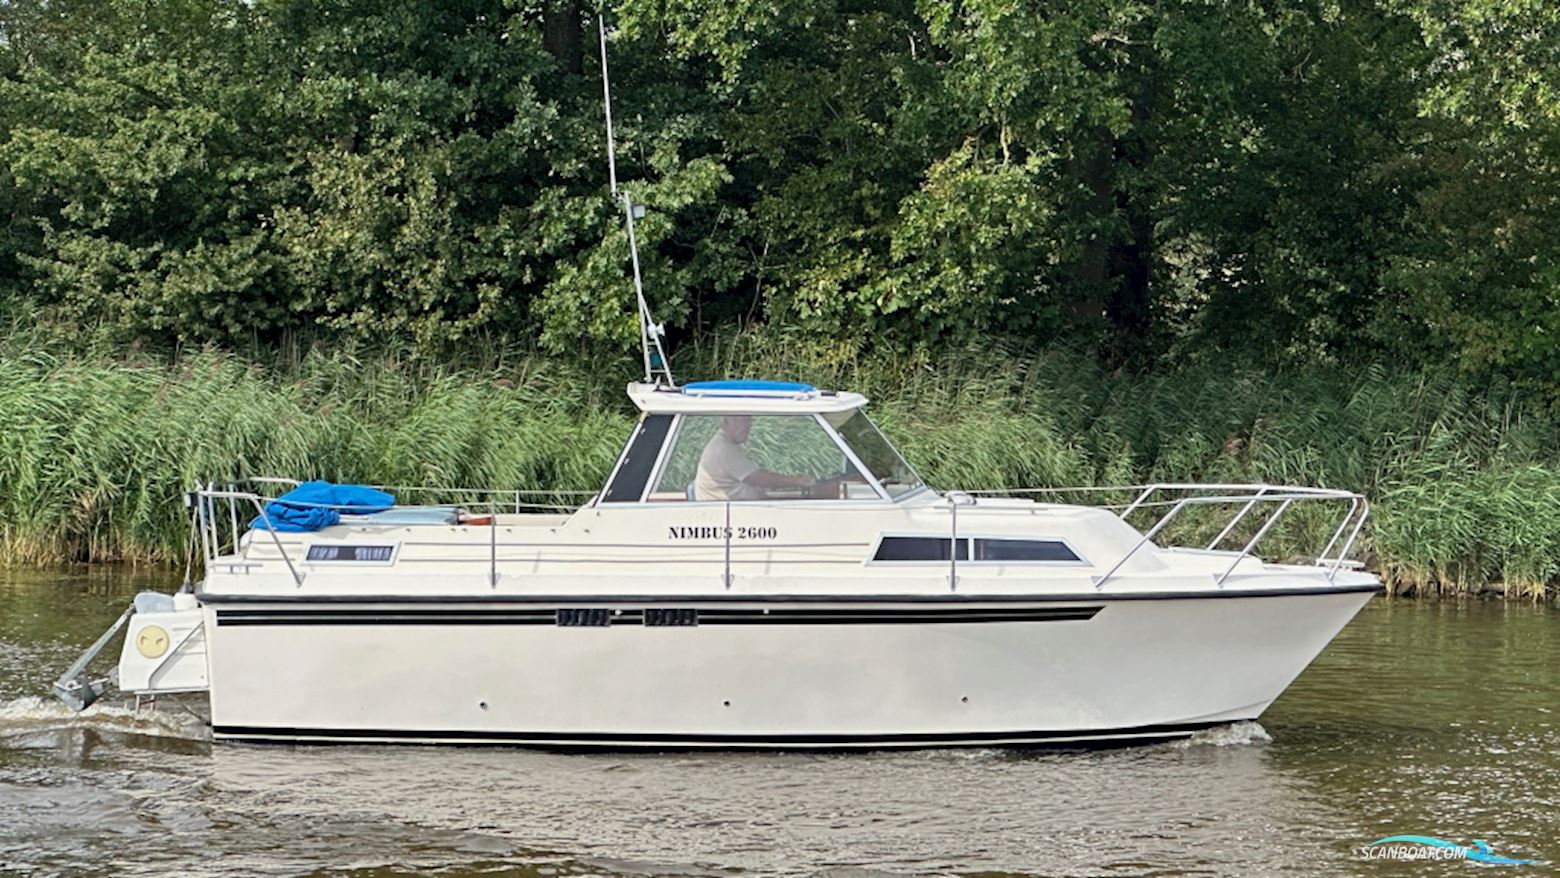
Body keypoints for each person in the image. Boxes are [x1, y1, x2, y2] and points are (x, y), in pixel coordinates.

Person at [694, 415, 817, 501]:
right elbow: (759, 479)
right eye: (741, 421)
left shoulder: (724, 443)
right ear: (726, 422)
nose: (747, 426)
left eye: (748, 420)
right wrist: (798, 481)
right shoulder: (723, 449)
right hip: (733, 518)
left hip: (739, 513)